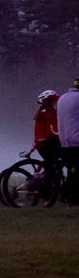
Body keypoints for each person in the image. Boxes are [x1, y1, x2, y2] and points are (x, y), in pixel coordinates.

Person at [56, 77, 79, 205]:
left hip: (64, 141)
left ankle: (69, 195)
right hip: (77, 140)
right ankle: (69, 194)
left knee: (73, 170)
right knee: (75, 170)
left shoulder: (62, 98)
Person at [33, 88, 61, 186]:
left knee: (51, 163)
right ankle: (47, 187)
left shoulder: (41, 111)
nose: (54, 102)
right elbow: (53, 130)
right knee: (53, 165)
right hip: (48, 143)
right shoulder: (49, 112)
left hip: (41, 143)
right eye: (53, 100)